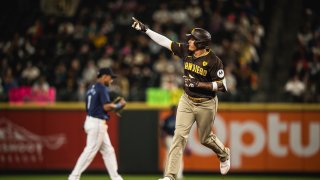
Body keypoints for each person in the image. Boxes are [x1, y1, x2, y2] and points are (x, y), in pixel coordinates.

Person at [132, 17, 230, 180]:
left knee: (205, 139)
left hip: (206, 103)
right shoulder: (186, 50)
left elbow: (223, 86)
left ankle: (224, 154)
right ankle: (170, 176)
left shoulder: (214, 61)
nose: (189, 41)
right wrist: (145, 29)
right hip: (187, 100)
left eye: (192, 39)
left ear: (200, 44)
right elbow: (165, 42)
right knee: (179, 137)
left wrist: (198, 84)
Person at [68, 67, 126, 180]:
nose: (111, 80)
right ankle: (73, 177)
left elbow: (96, 107)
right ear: (104, 76)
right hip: (97, 123)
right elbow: (106, 106)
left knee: (108, 150)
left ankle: (116, 177)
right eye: (110, 77)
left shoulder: (91, 88)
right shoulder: (102, 88)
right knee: (90, 151)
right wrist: (119, 106)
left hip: (91, 119)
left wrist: (111, 107)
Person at [161, 105, 183, 179]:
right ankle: (167, 174)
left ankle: (179, 175)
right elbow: (163, 131)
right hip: (170, 138)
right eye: (174, 109)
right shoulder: (168, 119)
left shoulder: (180, 119)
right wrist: (163, 139)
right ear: (172, 110)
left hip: (177, 138)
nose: (175, 111)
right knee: (169, 156)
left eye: (176, 109)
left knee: (178, 156)